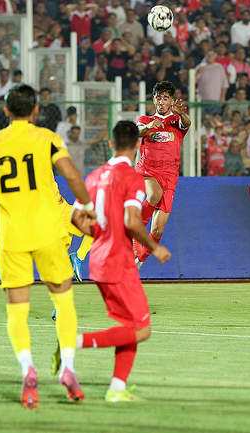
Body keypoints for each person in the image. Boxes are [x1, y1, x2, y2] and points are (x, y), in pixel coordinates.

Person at [0, 84, 95, 409]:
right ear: (36, 110)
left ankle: (28, 369)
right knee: (64, 300)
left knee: (17, 309)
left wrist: (5, 193)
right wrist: (87, 205)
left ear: (5, 111)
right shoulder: (47, 139)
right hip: (48, 231)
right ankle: (68, 368)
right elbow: (72, 175)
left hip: (12, 236)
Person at [70, 120, 172, 402]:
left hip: (98, 262)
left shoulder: (93, 177)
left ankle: (117, 388)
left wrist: (98, 232)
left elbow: (75, 217)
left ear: (111, 144)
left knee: (128, 327)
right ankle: (73, 342)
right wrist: (155, 248)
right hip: (119, 261)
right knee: (142, 330)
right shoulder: (133, 178)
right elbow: (132, 221)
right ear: (138, 144)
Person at [133, 81, 191, 268]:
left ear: (172, 101)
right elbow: (137, 131)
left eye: (166, 98)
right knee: (154, 194)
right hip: (148, 170)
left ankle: (139, 260)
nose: (161, 101)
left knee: (158, 230)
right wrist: (149, 127)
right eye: (158, 98)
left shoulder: (176, 121)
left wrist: (181, 113)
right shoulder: (145, 119)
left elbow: (187, 123)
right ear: (153, 100)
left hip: (170, 176)